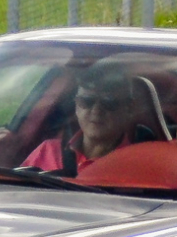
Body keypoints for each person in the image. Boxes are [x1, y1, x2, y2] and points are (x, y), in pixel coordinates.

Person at [23, 61, 163, 176]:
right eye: (86, 101)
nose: (96, 111)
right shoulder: (46, 151)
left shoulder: (140, 167)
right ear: (76, 106)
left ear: (129, 109)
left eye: (109, 103)